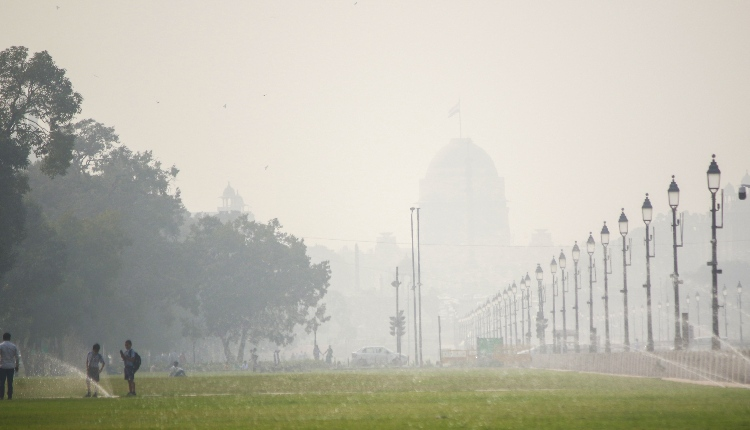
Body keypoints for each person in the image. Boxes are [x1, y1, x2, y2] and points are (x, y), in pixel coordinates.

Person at [0, 333, 20, 400]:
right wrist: (17, 365)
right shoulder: (13, 346)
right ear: (9, 338)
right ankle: (10, 396)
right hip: (11, 366)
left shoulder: (1, 346)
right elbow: (17, 357)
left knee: (1, 382)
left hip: (3, 366)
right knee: (10, 382)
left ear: (3, 338)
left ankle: (1, 395)